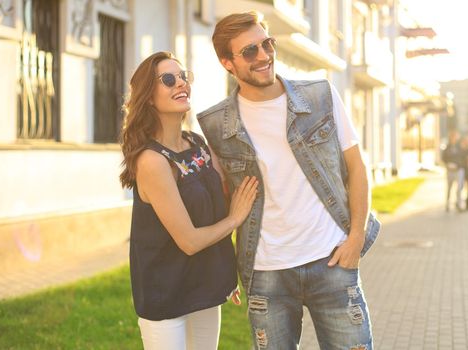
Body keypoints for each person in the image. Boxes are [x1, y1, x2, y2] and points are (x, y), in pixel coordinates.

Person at [197, 11, 379, 349]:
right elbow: (220, 200)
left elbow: (357, 166)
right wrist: (227, 268)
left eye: (267, 44)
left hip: (332, 259)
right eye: (249, 51)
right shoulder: (215, 125)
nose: (264, 56)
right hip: (267, 273)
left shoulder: (320, 96)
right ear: (227, 63)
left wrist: (355, 237)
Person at [119, 51, 258, 350]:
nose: (181, 83)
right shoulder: (152, 161)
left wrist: (225, 273)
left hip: (205, 288)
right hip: (166, 296)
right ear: (149, 96)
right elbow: (190, 241)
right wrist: (235, 219)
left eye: (184, 76)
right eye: (169, 79)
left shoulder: (197, 143)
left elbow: (217, 206)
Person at [442, 130, 464, 212]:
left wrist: (458, 165)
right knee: (449, 188)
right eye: (452, 136)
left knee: (459, 188)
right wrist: (447, 164)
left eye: (455, 136)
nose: (454, 138)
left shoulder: (459, 147)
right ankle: (447, 203)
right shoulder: (447, 147)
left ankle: (458, 203)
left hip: (458, 170)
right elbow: (443, 158)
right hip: (450, 171)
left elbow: (462, 158)